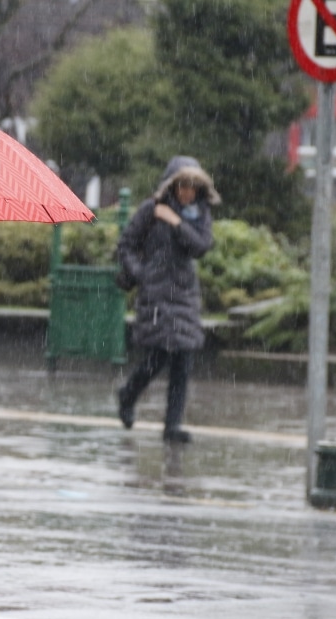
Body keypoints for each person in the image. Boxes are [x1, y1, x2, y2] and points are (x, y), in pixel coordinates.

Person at [115, 156, 218, 443]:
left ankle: (172, 426)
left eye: (193, 187)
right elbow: (126, 246)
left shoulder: (199, 213)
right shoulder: (151, 209)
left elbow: (200, 247)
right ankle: (128, 394)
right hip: (157, 291)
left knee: (183, 358)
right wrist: (142, 274)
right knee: (159, 355)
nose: (188, 192)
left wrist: (175, 222)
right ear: (172, 185)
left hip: (184, 293)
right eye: (183, 186)